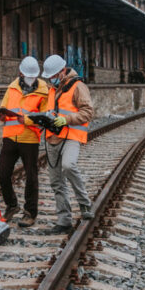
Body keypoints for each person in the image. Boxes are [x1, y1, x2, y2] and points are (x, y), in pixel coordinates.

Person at [40, 54, 94, 234]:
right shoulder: (51, 90)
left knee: (69, 166)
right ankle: (64, 221)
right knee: (56, 182)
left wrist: (66, 119)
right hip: (52, 137)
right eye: (49, 77)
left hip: (70, 135)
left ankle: (85, 204)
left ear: (63, 71)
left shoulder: (78, 87)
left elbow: (87, 112)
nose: (51, 79)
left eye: (54, 75)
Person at [0, 56, 48, 227]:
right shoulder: (12, 88)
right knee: (3, 173)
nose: (30, 78)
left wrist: (25, 120)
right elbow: (4, 107)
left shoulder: (43, 91)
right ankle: (12, 205)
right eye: (27, 75)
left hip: (29, 138)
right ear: (20, 72)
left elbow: (45, 117)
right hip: (10, 136)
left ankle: (30, 212)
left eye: (32, 76)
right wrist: (2, 115)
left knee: (31, 176)